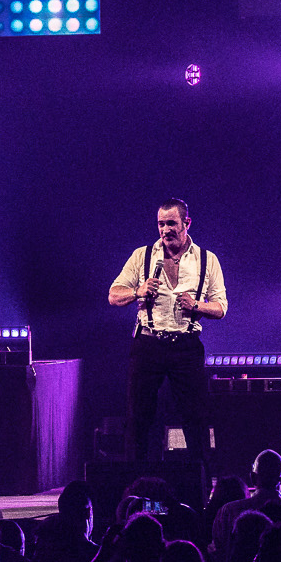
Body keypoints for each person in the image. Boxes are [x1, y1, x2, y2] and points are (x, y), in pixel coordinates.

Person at [108, 197, 227, 466]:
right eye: (161, 224)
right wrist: (137, 291)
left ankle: (200, 488)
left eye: (171, 223)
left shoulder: (206, 260)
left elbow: (221, 307)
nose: (165, 230)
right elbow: (113, 295)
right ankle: (136, 488)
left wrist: (196, 305)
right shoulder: (143, 256)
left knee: (195, 420)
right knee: (138, 419)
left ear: (186, 223)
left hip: (185, 347)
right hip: (148, 345)